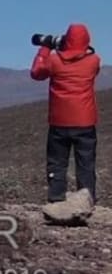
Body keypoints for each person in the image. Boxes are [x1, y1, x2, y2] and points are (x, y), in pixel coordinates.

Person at [30, 24, 101, 204]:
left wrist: (45, 48)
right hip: (85, 121)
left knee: (57, 163)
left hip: (59, 121)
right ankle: (87, 199)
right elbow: (89, 63)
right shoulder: (93, 61)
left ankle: (56, 199)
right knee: (85, 164)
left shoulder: (54, 60)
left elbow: (36, 73)